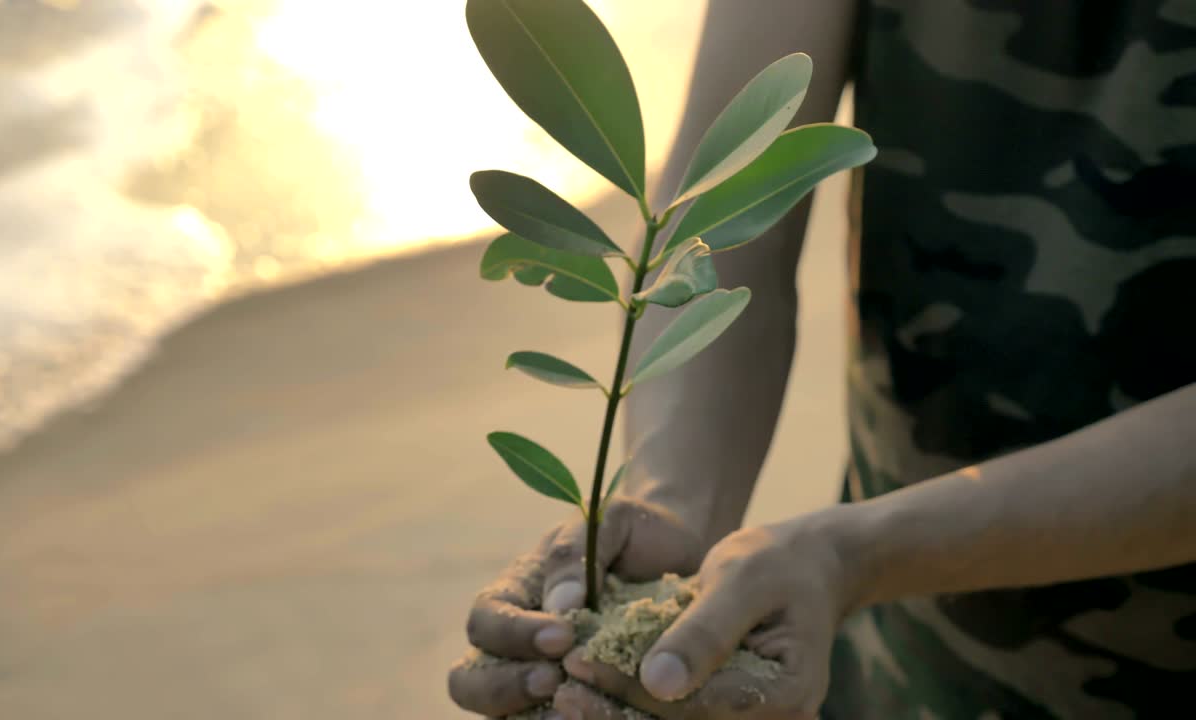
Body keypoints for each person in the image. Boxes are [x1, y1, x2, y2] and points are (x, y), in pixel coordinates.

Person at [447, 0, 1196, 717]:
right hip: (898, 663)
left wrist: (855, 555)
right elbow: (717, 212)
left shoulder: (854, 559)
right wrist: (674, 505)